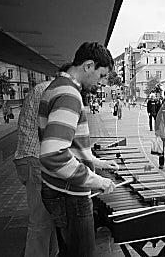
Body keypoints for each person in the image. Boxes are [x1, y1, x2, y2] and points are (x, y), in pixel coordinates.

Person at [38, 42, 119, 256]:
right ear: (88, 65)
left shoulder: (57, 86)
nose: (101, 82)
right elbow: (53, 154)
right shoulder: (69, 95)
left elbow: (66, 145)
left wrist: (96, 162)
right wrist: (96, 181)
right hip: (69, 193)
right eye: (101, 75)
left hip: (58, 188)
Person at [13, 81, 58, 257]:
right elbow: (55, 134)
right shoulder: (53, 90)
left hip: (31, 157)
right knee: (41, 223)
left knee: (50, 219)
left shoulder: (45, 87)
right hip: (36, 159)